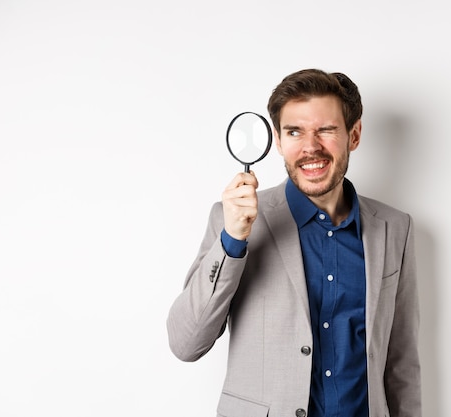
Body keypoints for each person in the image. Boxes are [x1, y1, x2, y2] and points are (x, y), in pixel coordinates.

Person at [167, 68, 421, 417]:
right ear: (278, 139)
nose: (310, 147)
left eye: (327, 130)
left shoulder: (395, 228)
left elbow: (402, 363)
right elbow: (186, 343)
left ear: (355, 134)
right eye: (294, 131)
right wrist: (232, 240)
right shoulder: (235, 222)